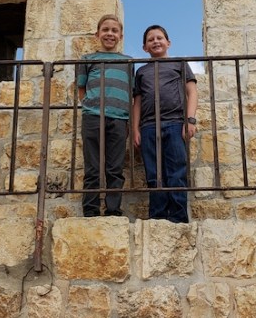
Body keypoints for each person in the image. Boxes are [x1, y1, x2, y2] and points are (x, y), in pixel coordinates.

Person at [131, 25, 197, 223]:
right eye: (150, 39)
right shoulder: (141, 72)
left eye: (159, 38)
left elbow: (192, 92)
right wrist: (135, 128)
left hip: (175, 123)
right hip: (148, 127)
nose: (155, 41)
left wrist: (190, 120)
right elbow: (137, 102)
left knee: (177, 172)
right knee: (154, 174)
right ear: (145, 47)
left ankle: (178, 218)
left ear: (168, 43)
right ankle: (157, 217)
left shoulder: (179, 64)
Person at [76, 14, 132, 217]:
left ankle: (113, 210)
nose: (110, 34)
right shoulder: (87, 59)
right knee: (92, 167)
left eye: (114, 31)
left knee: (115, 168)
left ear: (121, 36)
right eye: (105, 30)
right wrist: (91, 106)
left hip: (120, 119)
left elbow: (131, 91)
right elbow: (81, 88)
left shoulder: (128, 62)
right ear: (97, 34)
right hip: (93, 117)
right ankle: (90, 210)